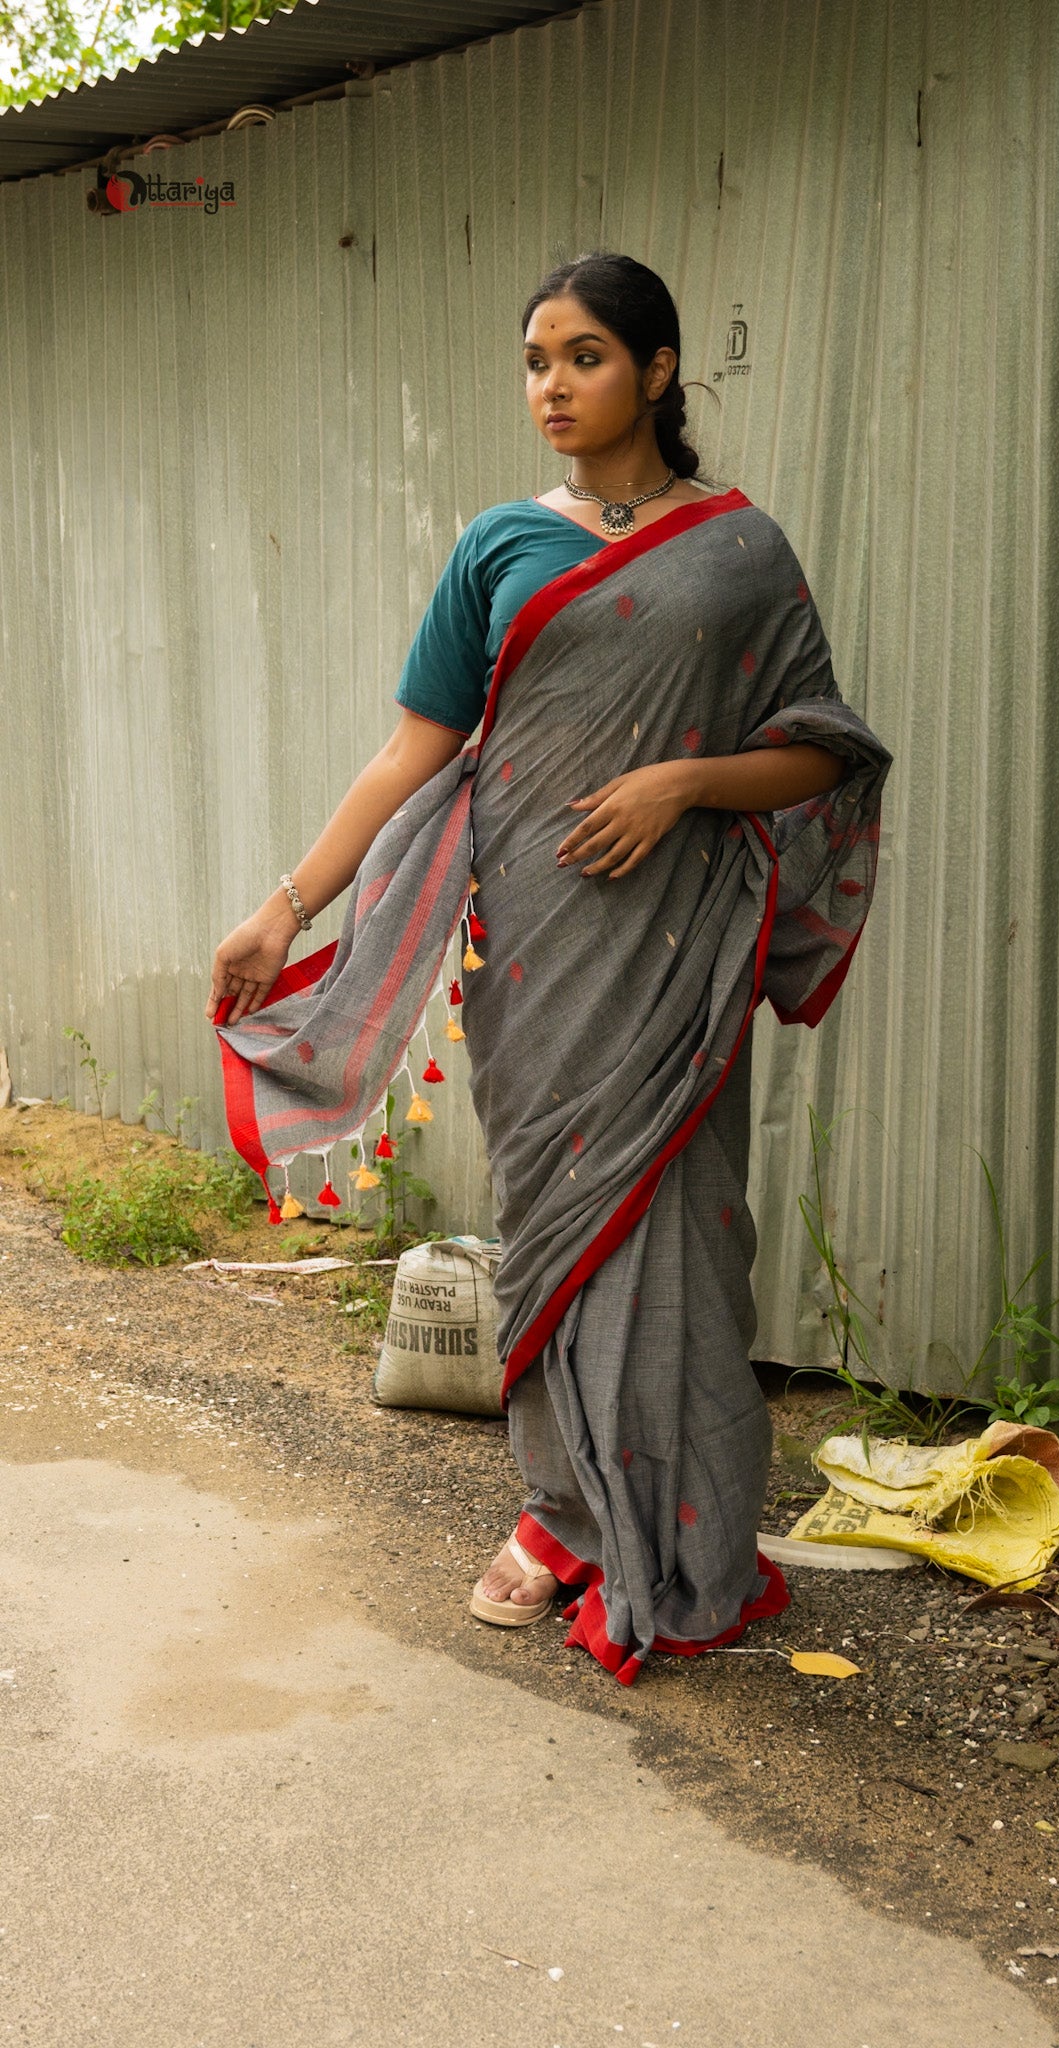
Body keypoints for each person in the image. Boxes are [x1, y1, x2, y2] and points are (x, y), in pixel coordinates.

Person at [207, 251, 891, 1684]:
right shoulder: (499, 548)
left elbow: (822, 751)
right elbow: (416, 746)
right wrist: (285, 905)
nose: (552, 387)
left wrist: (684, 783)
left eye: (583, 356)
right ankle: (563, 1513)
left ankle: (691, 1540)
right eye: (534, 361)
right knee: (553, 1223)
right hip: (532, 941)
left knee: (684, 1231)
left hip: (672, 945)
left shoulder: (741, 551)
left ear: (655, 369)